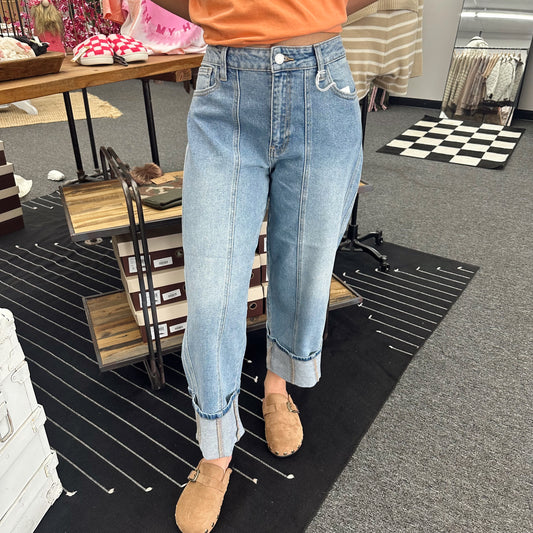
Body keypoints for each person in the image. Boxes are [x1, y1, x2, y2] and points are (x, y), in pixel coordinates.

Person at [149, 1, 378, 531]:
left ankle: (277, 384)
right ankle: (216, 447)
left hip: (321, 82)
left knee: (305, 266)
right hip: (227, 85)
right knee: (212, 291)